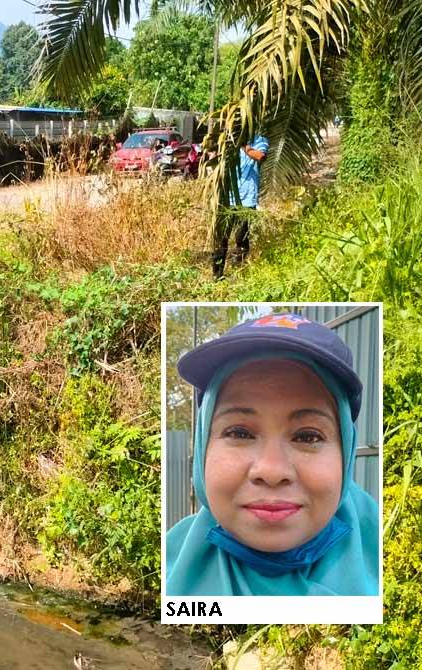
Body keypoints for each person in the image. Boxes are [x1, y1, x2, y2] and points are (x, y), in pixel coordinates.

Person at [166, 313, 379, 596]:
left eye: (308, 436)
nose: (272, 471)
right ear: (204, 444)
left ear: (346, 451)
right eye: (239, 433)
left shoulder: (388, 554)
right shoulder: (170, 571)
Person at [213, 134, 269, 278]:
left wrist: (243, 145)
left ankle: (239, 272)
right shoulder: (228, 138)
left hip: (246, 200)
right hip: (226, 198)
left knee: (241, 238)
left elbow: (260, 156)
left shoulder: (259, 139)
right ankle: (217, 275)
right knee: (221, 238)